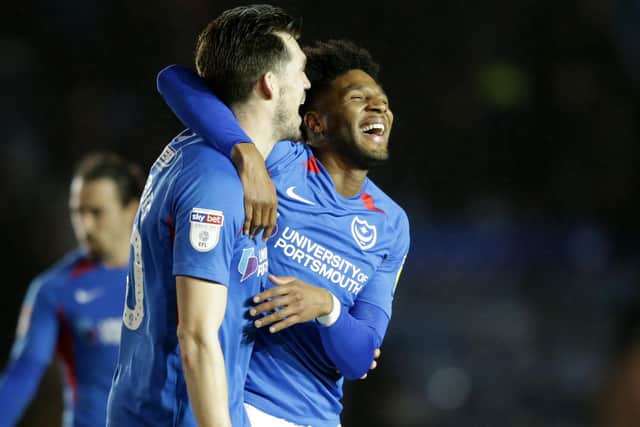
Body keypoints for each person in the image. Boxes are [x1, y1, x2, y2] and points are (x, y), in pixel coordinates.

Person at [157, 39, 410, 427]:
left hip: (322, 418)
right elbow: (173, 80)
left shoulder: (392, 224)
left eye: (383, 100)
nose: (380, 107)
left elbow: (360, 359)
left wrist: (327, 307)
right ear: (315, 123)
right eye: (358, 98)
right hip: (243, 405)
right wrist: (245, 152)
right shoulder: (279, 161)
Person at [105, 5, 309, 427]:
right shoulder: (215, 184)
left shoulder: (196, 146)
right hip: (177, 415)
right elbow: (196, 337)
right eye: (300, 72)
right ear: (269, 84)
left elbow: (172, 79)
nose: (307, 84)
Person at [0, 152, 144, 427]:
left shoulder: (169, 279)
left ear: (131, 210)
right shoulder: (55, 289)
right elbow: (22, 376)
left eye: (96, 213)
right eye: (77, 212)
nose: (84, 225)